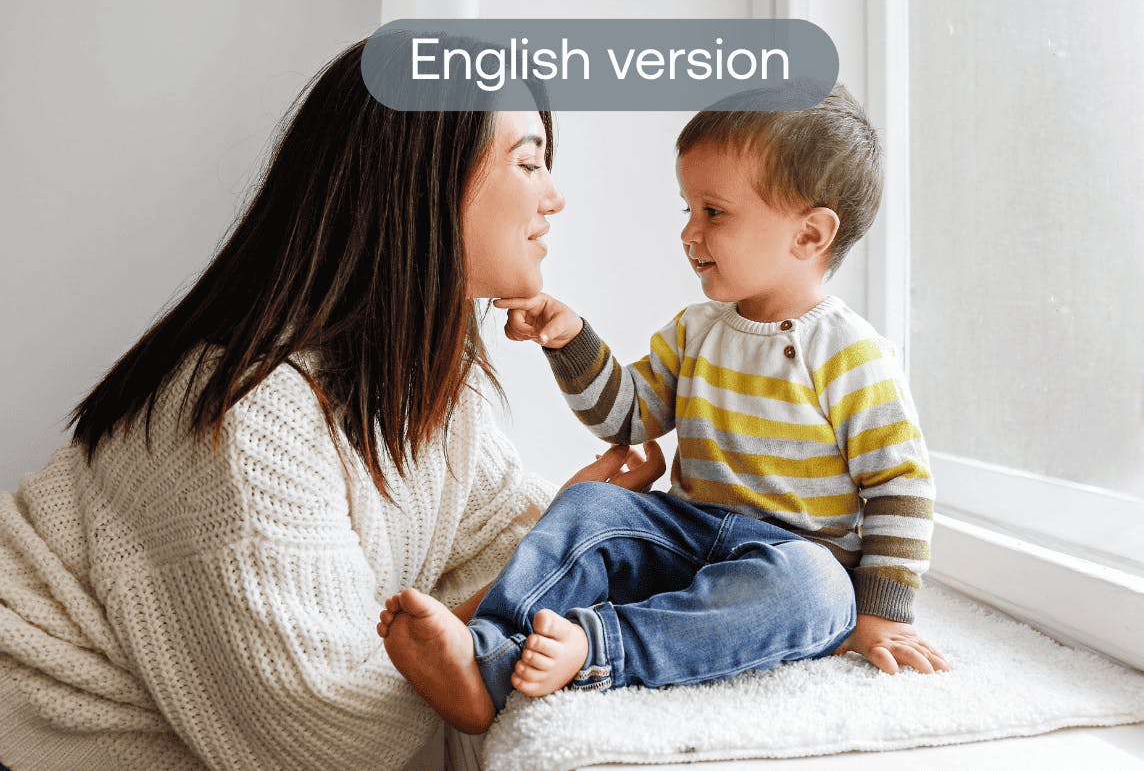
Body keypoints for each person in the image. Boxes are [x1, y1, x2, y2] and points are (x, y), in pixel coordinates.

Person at [0, 38, 663, 770]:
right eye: (528, 160)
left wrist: (572, 525)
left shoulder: (431, 387)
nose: (554, 195)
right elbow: (334, 735)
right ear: (422, 183)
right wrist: (494, 602)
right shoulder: (249, 416)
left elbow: (499, 545)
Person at [377, 84, 949, 731]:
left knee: (818, 589)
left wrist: (881, 614)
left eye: (714, 212)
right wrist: (571, 342)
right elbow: (629, 417)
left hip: (789, 558)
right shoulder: (695, 331)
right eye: (688, 208)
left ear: (809, 234)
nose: (688, 232)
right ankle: (483, 654)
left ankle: (599, 647)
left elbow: (901, 486)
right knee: (593, 507)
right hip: (686, 534)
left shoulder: (852, 356)